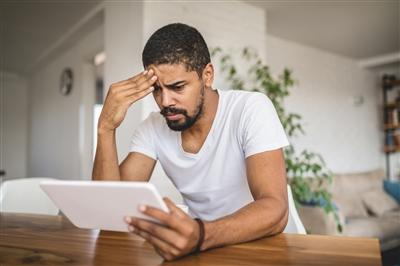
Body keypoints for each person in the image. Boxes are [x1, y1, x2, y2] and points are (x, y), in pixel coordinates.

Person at [92, 23, 289, 261]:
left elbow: (276, 209)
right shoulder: (153, 127)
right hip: (202, 249)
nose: (165, 101)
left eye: (177, 87)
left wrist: (201, 235)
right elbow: (112, 212)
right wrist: (105, 128)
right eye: (156, 89)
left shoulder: (250, 109)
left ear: (207, 75)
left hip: (266, 247)